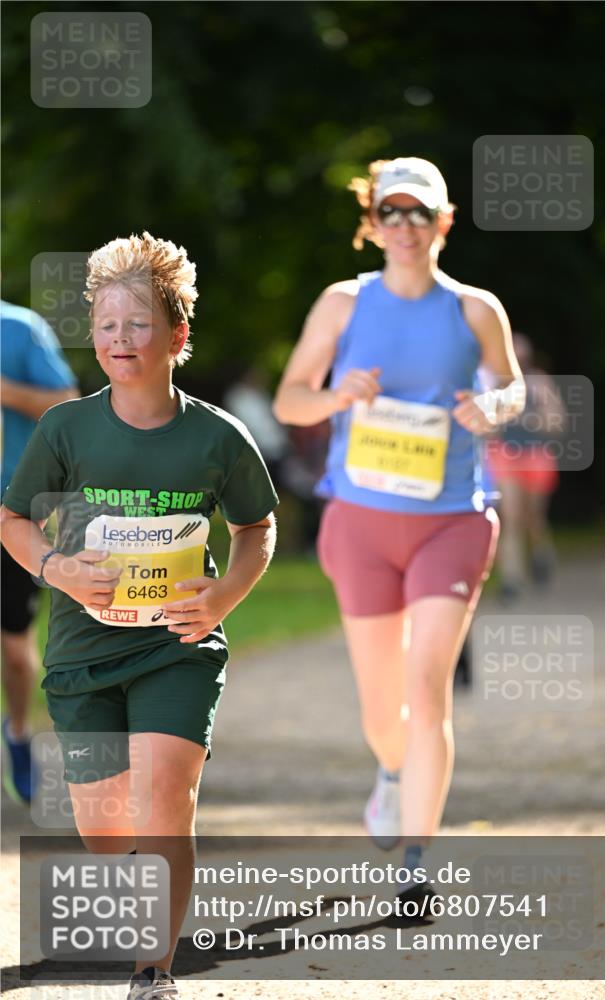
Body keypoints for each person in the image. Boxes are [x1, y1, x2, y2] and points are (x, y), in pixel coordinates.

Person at [0, 233, 278, 1000]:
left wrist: (224, 596)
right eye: (106, 324)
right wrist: (57, 568)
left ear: (177, 336)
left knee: (166, 797)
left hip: (178, 646)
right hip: (83, 653)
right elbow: (13, 520)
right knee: (106, 827)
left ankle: (153, 970)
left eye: (138, 324)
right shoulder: (66, 429)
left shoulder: (217, 436)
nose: (120, 339)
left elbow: (255, 529)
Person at [273, 157, 525, 908]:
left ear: (443, 221)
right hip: (361, 524)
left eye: (421, 212)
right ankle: (390, 773)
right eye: (392, 211)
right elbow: (289, 400)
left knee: (427, 686)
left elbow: (510, 386)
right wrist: (335, 397)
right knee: (383, 710)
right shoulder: (342, 303)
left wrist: (495, 407)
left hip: (451, 520)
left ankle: (416, 859)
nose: (406, 225)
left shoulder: (476, 309)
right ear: (373, 222)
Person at [1, 299, 78, 803]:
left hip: (10, 510)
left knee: (14, 649)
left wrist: (5, 390)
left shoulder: (19, 329)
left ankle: (18, 731)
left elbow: (67, 403)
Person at [485, 332, 564, 602]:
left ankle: (540, 553)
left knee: (534, 517)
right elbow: (486, 425)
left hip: (535, 456)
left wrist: (528, 419)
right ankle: (511, 579)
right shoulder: (494, 383)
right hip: (505, 455)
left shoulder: (538, 382)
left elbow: (556, 422)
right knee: (511, 517)